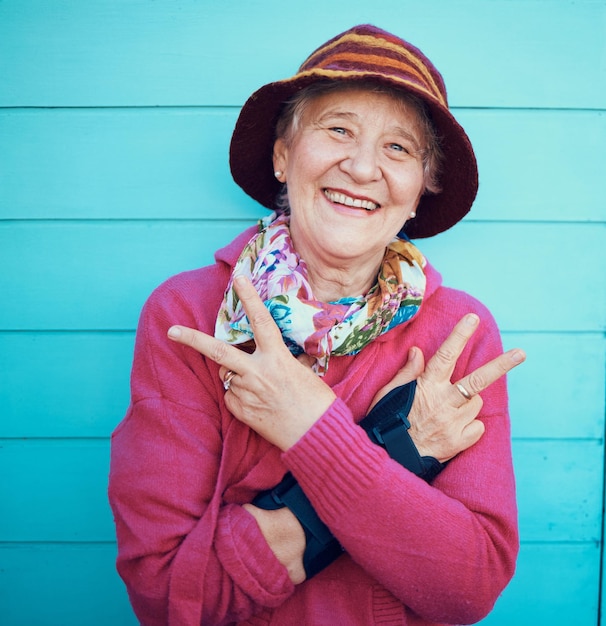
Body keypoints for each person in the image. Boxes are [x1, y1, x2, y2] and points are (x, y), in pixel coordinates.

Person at [108, 24, 526, 626]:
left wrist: (308, 426)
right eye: (338, 130)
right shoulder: (190, 315)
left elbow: (467, 588)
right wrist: (403, 455)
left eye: (398, 148)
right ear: (283, 154)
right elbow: (170, 594)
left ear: (418, 193)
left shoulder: (458, 332)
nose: (360, 167)